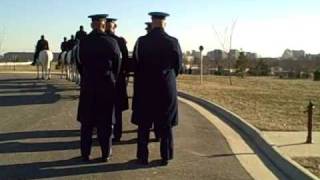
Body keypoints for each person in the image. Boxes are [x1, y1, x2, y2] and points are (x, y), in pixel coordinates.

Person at [132, 12, 182, 166]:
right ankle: (166, 155)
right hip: (165, 86)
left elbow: (135, 63)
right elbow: (178, 66)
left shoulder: (141, 41)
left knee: (144, 124)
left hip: (145, 86)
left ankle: (143, 156)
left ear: (152, 22)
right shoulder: (173, 42)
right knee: (165, 123)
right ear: (164, 23)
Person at [76, 14, 121, 162]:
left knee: (87, 122)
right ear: (103, 25)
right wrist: (111, 77)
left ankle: (85, 153)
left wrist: (87, 76)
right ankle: (105, 153)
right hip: (106, 85)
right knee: (105, 121)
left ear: (91, 25)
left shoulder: (83, 42)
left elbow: (79, 64)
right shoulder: (112, 42)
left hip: (88, 84)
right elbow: (117, 65)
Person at [105, 18, 129, 143]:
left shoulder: (120, 41)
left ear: (115, 27)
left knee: (117, 109)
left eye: (111, 25)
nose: (109, 27)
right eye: (107, 25)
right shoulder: (102, 40)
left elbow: (125, 59)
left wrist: (123, 74)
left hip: (117, 79)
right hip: (109, 79)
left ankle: (117, 133)